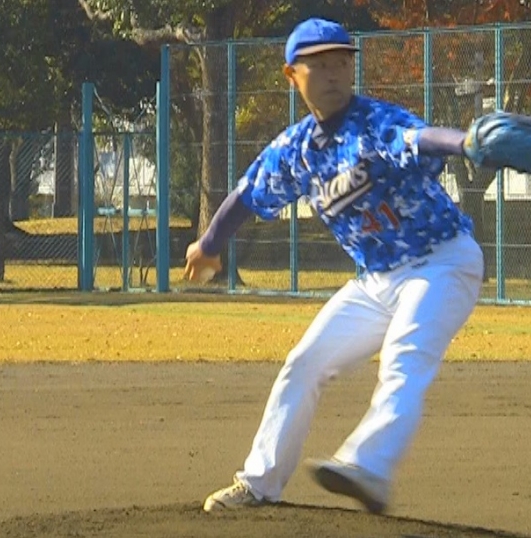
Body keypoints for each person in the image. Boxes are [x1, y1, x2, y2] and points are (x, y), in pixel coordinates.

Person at [185, 17, 486, 515]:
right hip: (376, 282)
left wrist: (465, 142)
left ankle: (369, 467)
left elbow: (418, 138)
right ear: (292, 75)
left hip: (441, 262)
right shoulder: (296, 150)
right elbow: (247, 194)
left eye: (342, 62)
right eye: (319, 64)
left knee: (404, 357)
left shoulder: (375, 122)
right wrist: (209, 245)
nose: (333, 73)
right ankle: (259, 484)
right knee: (303, 364)